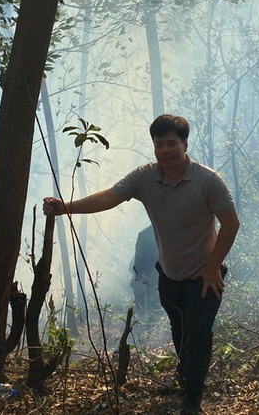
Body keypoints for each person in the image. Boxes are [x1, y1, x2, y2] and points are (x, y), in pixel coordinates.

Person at [44, 114, 240, 414]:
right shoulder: (145, 177)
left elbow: (230, 223)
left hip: (205, 274)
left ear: (185, 144)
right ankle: (183, 377)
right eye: (159, 144)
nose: (165, 150)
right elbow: (110, 197)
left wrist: (213, 267)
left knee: (199, 333)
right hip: (170, 273)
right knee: (180, 330)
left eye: (171, 143)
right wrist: (66, 208)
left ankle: (192, 399)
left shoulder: (208, 180)